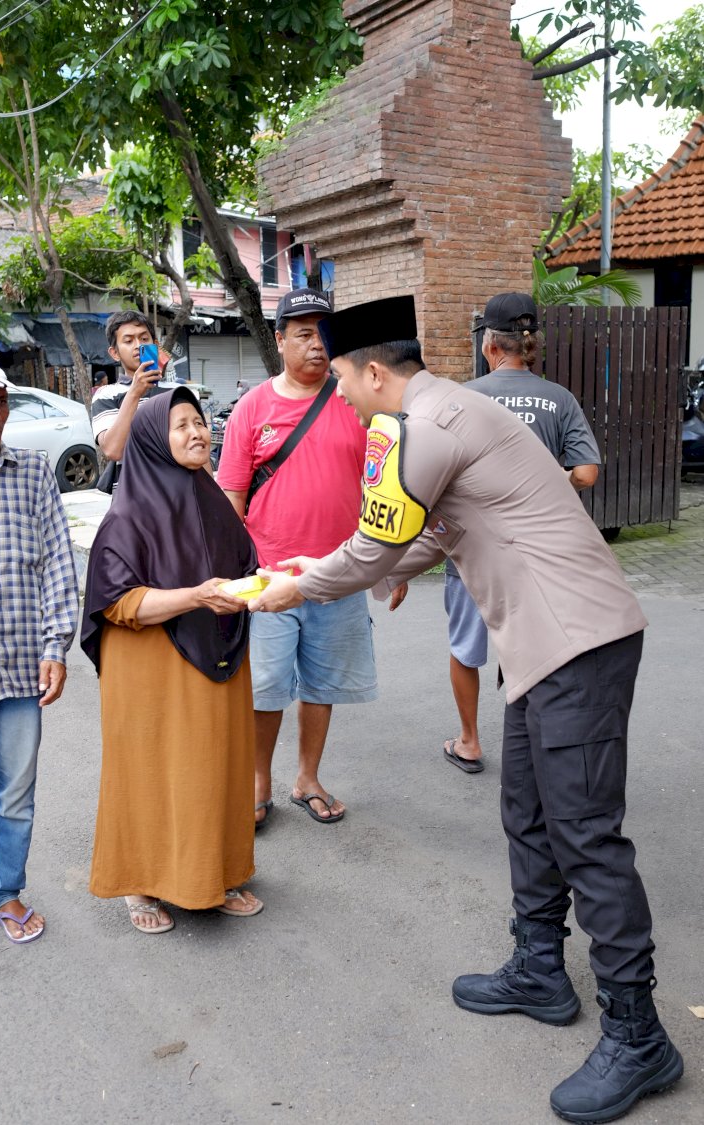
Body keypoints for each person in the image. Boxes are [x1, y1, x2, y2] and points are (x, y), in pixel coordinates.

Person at [249, 297, 683, 1124]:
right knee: (526, 810)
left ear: (373, 371)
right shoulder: (447, 408)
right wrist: (324, 566)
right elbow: (428, 536)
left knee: (586, 832)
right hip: (542, 647)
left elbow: (378, 546)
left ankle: (640, 1034)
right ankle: (540, 969)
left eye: (341, 377)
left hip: (576, 643)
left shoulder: (428, 424)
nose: (336, 393)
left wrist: (301, 584)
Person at [81, 386, 262, 933]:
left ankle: (215, 873)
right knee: (152, 770)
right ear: (153, 440)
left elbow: (243, 566)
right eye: (180, 425)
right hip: (151, 665)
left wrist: (270, 584)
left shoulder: (210, 498)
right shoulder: (128, 514)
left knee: (215, 765)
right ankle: (140, 884)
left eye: (199, 421)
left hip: (218, 651)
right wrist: (195, 597)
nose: (197, 433)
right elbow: (117, 601)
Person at [217, 287, 387, 828]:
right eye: (304, 334)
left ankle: (308, 777)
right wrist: (230, 572)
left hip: (337, 574)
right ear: (280, 339)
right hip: (266, 577)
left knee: (322, 682)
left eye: (323, 333)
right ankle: (257, 780)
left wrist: (390, 567)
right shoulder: (252, 407)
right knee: (265, 687)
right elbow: (231, 498)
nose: (317, 345)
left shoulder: (351, 400)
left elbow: (378, 484)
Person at [440, 293, 601, 775]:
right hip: (540, 555)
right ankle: (534, 745)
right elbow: (587, 473)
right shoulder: (560, 399)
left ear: (490, 346)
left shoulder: (462, 399)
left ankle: (469, 741)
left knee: (465, 649)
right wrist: (559, 481)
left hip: (472, 552)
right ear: (532, 348)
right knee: (536, 646)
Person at [0, 350, 78, 944]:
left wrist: (56, 645)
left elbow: (58, 563)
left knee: (17, 792)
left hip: (21, 662)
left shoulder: (32, 472)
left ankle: (5, 892)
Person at [91, 311, 169, 464]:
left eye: (144, 339)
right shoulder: (106, 395)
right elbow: (113, 450)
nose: (138, 346)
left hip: (176, 486)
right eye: (128, 341)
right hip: (131, 486)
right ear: (115, 353)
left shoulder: (177, 391)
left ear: (156, 345)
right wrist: (134, 392)